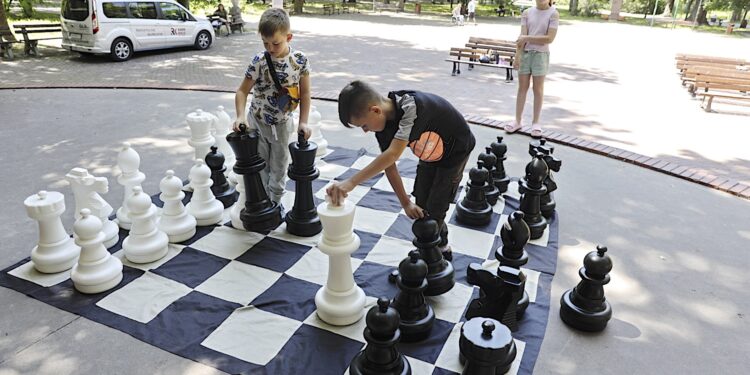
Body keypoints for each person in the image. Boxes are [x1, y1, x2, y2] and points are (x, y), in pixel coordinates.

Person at [328, 81, 476, 259]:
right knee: (421, 202)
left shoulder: (411, 108)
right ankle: (441, 244)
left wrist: (351, 182)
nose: (366, 131)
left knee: (436, 206)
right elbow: (389, 166)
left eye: (364, 126)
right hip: (430, 151)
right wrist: (405, 202)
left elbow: (392, 155)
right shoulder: (382, 127)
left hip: (455, 150)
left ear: (375, 110)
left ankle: (433, 256)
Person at [233, 8, 311, 205]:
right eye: (265, 43)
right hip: (257, 122)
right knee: (260, 166)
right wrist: (240, 116)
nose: (270, 48)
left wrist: (303, 123)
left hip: (283, 125)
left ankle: (274, 204)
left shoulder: (300, 61)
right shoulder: (259, 61)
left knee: (279, 167)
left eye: (276, 43)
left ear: (289, 37)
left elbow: (306, 94)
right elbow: (242, 91)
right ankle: (262, 203)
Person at [504, 0, 559, 138]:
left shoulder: (553, 13)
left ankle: (536, 123)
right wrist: (517, 56)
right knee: (522, 87)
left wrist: (527, 38)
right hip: (526, 54)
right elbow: (521, 39)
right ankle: (517, 120)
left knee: (538, 89)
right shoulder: (527, 13)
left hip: (541, 55)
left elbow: (549, 38)